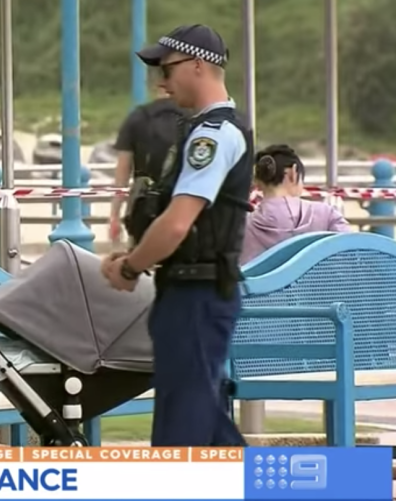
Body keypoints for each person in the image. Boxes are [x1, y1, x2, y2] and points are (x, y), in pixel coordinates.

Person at [101, 24, 250, 446]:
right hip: (190, 290)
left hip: (197, 293)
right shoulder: (201, 129)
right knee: (205, 425)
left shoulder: (212, 135)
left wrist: (131, 267)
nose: (161, 83)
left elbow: (178, 222)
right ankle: (335, 483)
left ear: (198, 66)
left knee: (182, 429)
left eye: (167, 69)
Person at [241, 144, 351, 264]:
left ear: (258, 181)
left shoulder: (241, 226)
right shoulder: (328, 216)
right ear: (293, 173)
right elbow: (350, 258)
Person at [110, 86, 188, 244]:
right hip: (183, 205)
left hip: (143, 205)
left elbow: (123, 171)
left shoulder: (137, 117)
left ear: (154, 86)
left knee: (139, 257)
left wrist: (114, 215)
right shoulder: (193, 116)